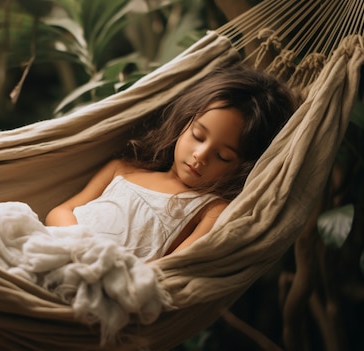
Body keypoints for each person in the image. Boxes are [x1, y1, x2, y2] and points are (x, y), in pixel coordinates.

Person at [45, 64, 296, 261]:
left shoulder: (210, 210)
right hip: (56, 249)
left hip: (107, 283)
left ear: (243, 167)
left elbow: (173, 268)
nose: (201, 155)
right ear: (182, 124)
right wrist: (79, 247)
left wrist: (107, 271)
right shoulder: (123, 169)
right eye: (198, 135)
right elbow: (60, 211)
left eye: (223, 156)